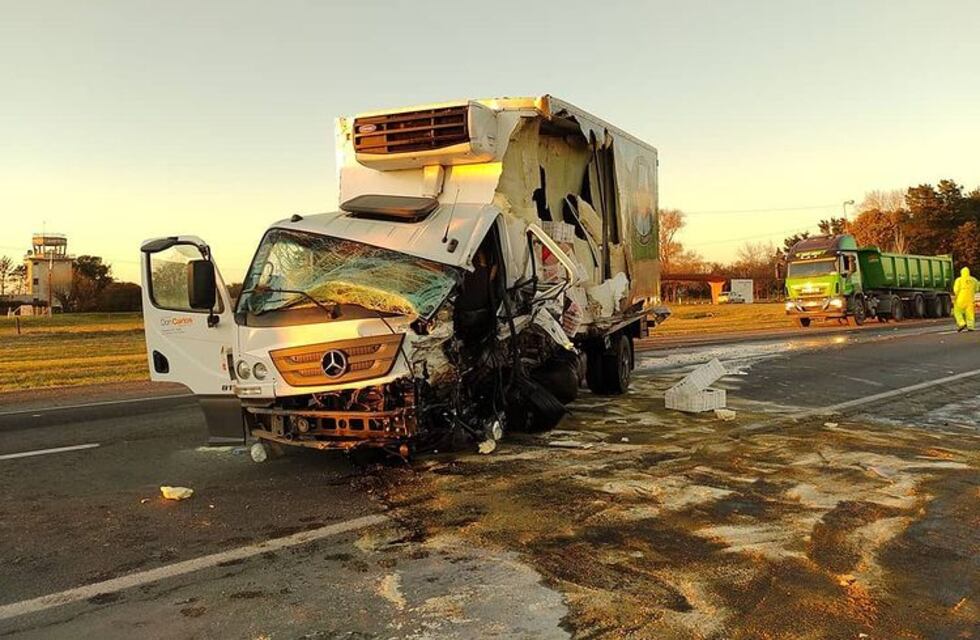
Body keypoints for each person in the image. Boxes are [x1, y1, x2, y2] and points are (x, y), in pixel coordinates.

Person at [952, 266, 977, 332]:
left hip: (960, 299)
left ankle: (962, 323)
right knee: (970, 313)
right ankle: (970, 326)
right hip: (970, 299)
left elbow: (956, 290)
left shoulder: (959, 280)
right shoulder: (973, 280)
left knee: (957, 311)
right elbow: (977, 288)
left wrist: (955, 297)